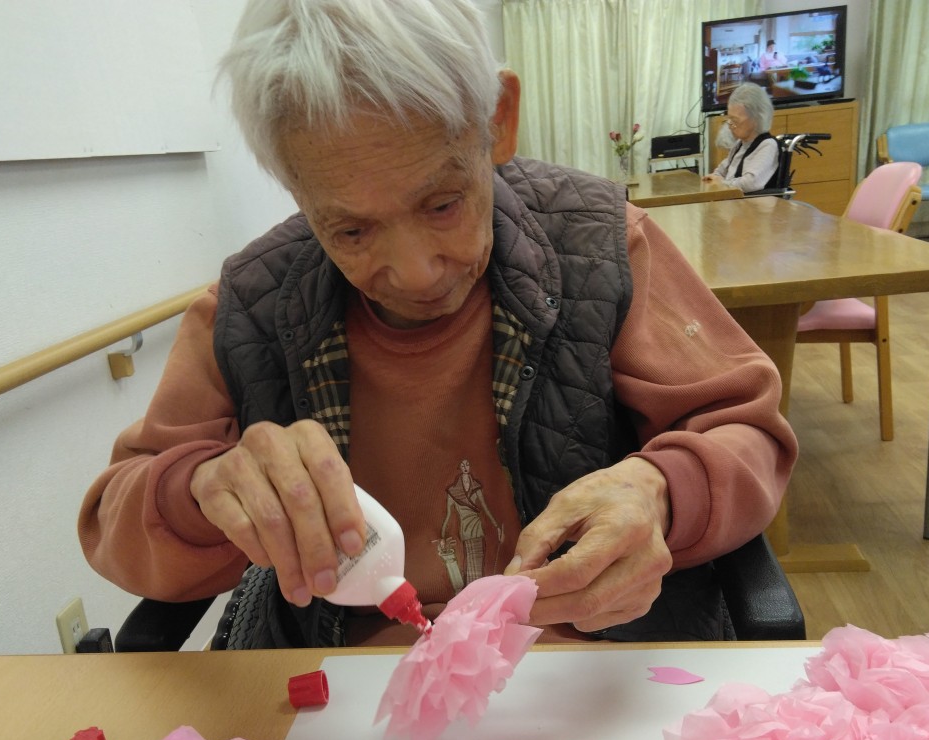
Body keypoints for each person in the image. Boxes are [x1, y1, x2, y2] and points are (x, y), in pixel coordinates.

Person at [79, 0, 798, 647]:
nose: (417, 272)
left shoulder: (603, 249)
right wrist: (202, 490)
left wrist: (660, 491)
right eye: (351, 230)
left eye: (443, 204)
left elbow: (749, 433)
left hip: (585, 669)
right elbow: (115, 517)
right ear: (294, 188)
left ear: (498, 121)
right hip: (343, 686)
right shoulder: (252, 307)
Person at [702, 83, 781, 194]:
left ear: (756, 119)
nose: (730, 124)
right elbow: (721, 171)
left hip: (754, 204)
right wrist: (713, 178)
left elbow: (751, 183)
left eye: (735, 120)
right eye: (729, 119)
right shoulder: (740, 144)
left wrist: (722, 183)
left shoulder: (768, 146)